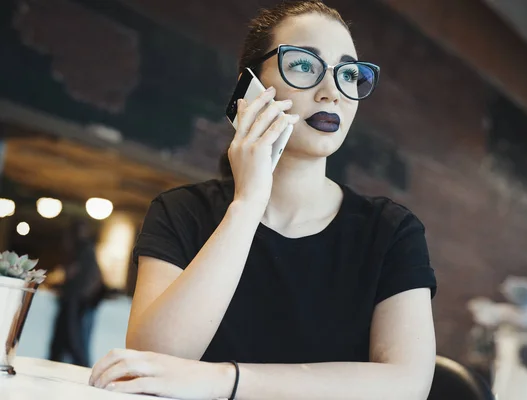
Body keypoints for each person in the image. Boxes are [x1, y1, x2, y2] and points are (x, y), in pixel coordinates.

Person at [89, 1, 437, 398]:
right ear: (249, 85)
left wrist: (225, 380)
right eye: (304, 65)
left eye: (350, 74)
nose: (332, 93)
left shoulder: (390, 231)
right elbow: (153, 364)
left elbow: (406, 385)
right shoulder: (181, 212)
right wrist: (248, 204)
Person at [49, 219, 104, 367]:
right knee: (69, 344)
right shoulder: (83, 251)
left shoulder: (84, 251)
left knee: (75, 344)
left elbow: (82, 278)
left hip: (76, 303)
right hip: (76, 302)